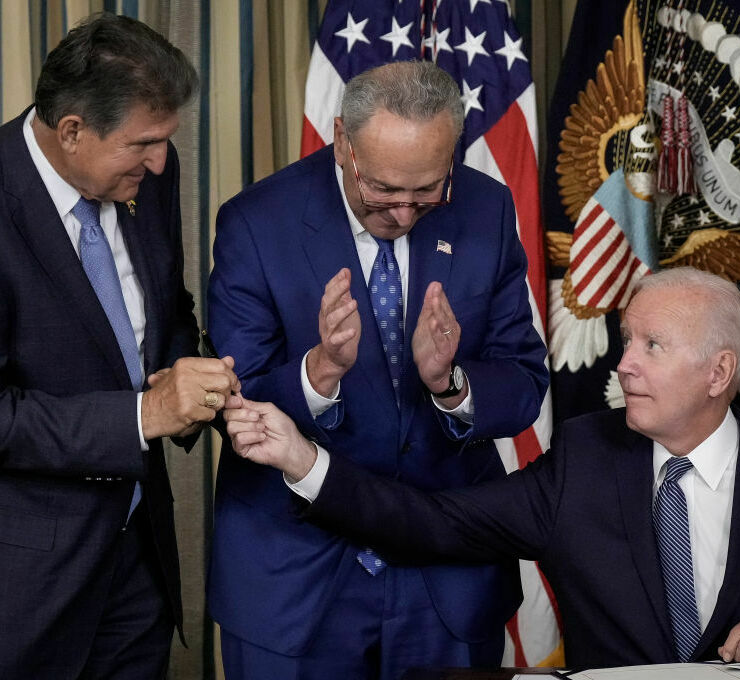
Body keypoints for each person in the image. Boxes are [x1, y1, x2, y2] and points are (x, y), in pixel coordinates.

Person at [224, 267, 740, 670]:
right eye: (626, 341)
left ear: (718, 373)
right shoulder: (586, 458)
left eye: (653, 347)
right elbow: (432, 523)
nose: (624, 366)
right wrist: (303, 460)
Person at [0, 13, 238, 680]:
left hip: (134, 564)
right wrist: (143, 416)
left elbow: (163, 307)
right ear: (70, 131)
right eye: (142, 144)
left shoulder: (149, 173)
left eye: (164, 142)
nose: (159, 161)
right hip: (14, 586)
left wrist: (186, 374)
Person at [206, 61, 549, 679]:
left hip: (445, 574)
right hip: (297, 577)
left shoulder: (485, 209)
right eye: (384, 190)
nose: (404, 214)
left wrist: (451, 385)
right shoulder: (257, 222)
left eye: (427, 191)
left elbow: (524, 382)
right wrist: (319, 371)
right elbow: (236, 398)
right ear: (343, 143)